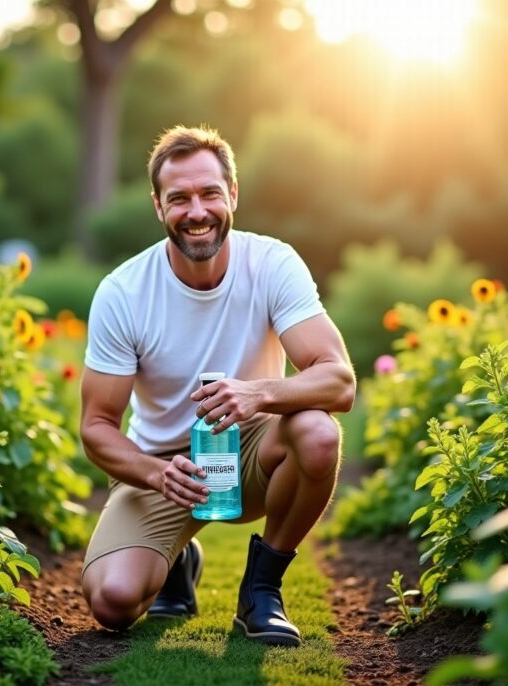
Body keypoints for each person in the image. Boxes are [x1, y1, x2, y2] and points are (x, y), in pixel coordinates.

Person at [79, 125, 355, 647]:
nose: (197, 211)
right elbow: (96, 428)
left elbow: (339, 379)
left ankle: (261, 591)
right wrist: (155, 473)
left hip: (255, 448)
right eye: (179, 198)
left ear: (232, 195)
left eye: (209, 193)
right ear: (159, 207)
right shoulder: (123, 291)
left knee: (318, 433)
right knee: (112, 603)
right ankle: (178, 561)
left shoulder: (272, 263)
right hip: (164, 465)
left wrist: (258, 394)